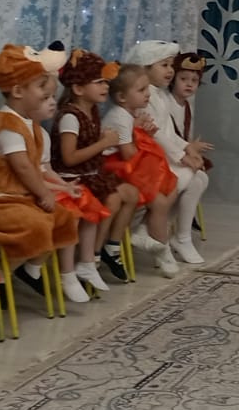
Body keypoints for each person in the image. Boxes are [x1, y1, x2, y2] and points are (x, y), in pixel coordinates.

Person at [0, 44, 87, 305]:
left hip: (19, 199)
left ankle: (28, 269)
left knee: (66, 218)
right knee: (38, 226)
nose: (49, 99)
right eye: (43, 93)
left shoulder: (30, 125)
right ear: (18, 91)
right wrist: (45, 194)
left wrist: (61, 189)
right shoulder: (8, 124)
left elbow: (35, 171)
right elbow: (23, 167)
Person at [55, 48, 139, 289]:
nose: (105, 87)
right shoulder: (70, 117)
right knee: (110, 200)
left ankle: (107, 248)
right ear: (78, 88)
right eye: (99, 82)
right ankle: (91, 257)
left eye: (106, 82)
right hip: (72, 178)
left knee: (131, 193)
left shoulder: (91, 111)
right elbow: (69, 158)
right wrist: (103, 144)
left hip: (91, 174)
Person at [124, 41, 211, 266]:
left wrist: (187, 148)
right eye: (164, 65)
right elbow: (156, 135)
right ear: (145, 67)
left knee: (200, 177)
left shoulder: (160, 95)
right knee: (189, 175)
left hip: (161, 155)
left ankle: (177, 235)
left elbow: (169, 133)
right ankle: (155, 230)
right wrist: (182, 157)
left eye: (171, 65)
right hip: (147, 158)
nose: (170, 71)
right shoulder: (146, 97)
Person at [101, 64, 179, 278]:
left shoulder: (127, 114)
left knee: (172, 185)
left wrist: (141, 129)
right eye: (141, 90)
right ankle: (162, 250)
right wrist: (141, 135)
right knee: (160, 200)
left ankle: (143, 231)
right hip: (116, 170)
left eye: (147, 89)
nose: (147, 94)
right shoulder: (120, 117)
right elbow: (128, 154)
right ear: (122, 97)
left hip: (129, 167)